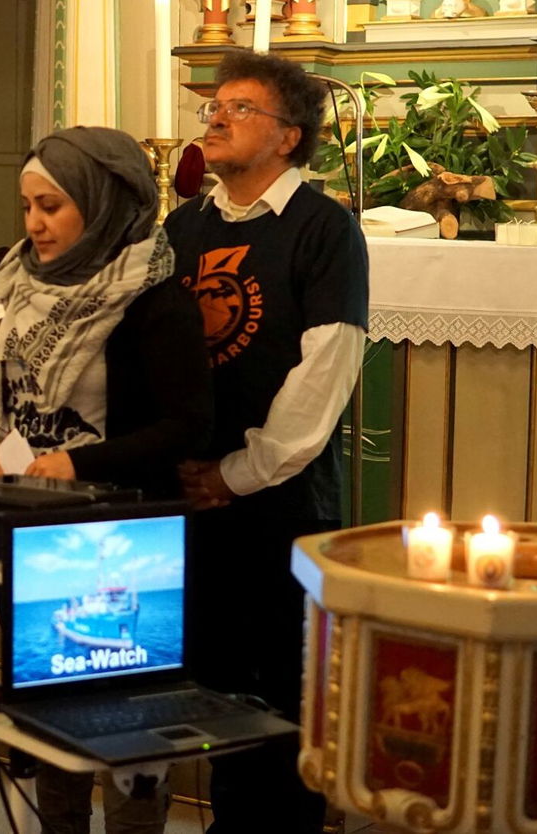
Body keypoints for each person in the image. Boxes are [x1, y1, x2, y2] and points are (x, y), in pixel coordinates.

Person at [0, 126, 215, 834]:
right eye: (27, 207)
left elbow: (189, 426)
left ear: (102, 204)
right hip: (35, 528)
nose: (34, 225)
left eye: (52, 207)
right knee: (51, 724)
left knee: (128, 734)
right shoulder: (12, 285)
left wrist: (81, 461)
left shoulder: (152, 297)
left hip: (127, 536)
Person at [165, 50, 368, 834]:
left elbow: (326, 369)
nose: (214, 116)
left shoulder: (323, 229)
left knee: (287, 689)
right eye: (213, 105)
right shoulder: (185, 226)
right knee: (218, 685)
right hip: (196, 492)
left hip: (282, 500)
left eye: (238, 107)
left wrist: (239, 472)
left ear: (290, 136)